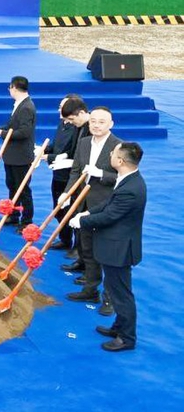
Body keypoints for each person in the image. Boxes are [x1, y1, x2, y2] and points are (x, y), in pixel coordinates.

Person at [69, 142, 146, 352]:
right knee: (114, 288)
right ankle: (118, 327)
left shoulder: (131, 188)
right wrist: (88, 212)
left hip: (119, 249)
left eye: (113, 153)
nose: (110, 154)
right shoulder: (127, 179)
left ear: (120, 161)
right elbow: (109, 204)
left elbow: (111, 215)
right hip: (114, 246)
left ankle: (127, 338)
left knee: (121, 294)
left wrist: (82, 221)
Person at [61, 107, 120, 312]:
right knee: (87, 249)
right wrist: (67, 193)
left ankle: (110, 299)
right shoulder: (84, 142)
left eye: (101, 122)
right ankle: (90, 289)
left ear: (111, 124)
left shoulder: (119, 146)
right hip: (83, 203)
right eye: (93, 121)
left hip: (106, 206)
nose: (96, 125)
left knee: (107, 253)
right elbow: (76, 171)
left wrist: (101, 173)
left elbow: (123, 178)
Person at [0, 75, 36, 230]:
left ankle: (26, 220)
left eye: (10, 87)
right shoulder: (19, 104)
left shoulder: (26, 107)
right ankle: (13, 214)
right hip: (12, 155)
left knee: (23, 189)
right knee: (12, 186)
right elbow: (12, 126)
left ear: (14, 87)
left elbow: (24, 132)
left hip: (21, 156)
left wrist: (1, 133)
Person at [43, 95, 85, 252]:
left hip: (70, 175)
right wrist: (45, 151)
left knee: (73, 211)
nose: (60, 110)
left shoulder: (77, 127)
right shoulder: (62, 124)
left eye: (63, 106)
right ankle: (64, 239)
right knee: (59, 209)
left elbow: (71, 151)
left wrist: (53, 157)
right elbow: (57, 144)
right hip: (58, 172)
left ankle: (78, 246)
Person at [56, 97, 92, 259]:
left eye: (72, 119)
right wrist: (66, 157)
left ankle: (82, 252)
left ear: (82, 113)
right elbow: (74, 150)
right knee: (75, 213)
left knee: (83, 218)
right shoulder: (79, 127)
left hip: (90, 183)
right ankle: (77, 249)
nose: (71, 122)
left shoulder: (91, 129)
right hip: (77, 177)